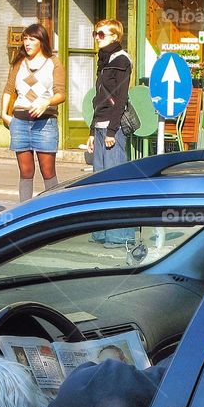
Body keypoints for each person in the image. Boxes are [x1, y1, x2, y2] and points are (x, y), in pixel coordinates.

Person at [1, 23, 66, 203]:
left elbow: (61, 94)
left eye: (32, 39)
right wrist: (4, 114)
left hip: (45, 123)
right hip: (20, 122)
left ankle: (54, 211)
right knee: (26, 171)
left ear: (41, 41)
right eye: (25, 39)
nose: (27, 43)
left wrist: (46, 101)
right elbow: (8, 89)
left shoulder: (53, 62)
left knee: (48, 171)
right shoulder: (19, 62)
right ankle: (24, 213)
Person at [88, 18, 135, 246]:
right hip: (99, 127)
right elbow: (99, 99)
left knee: (116, 182)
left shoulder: (121, 60)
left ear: (115, 36)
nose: (97, 37)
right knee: (99, 181)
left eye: (102, 34)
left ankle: (120, 236)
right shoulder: (103, 60)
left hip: (111, 129)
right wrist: (91, 131)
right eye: (96, 33)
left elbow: (121, 99)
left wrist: (111, 131)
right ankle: (100, 231)